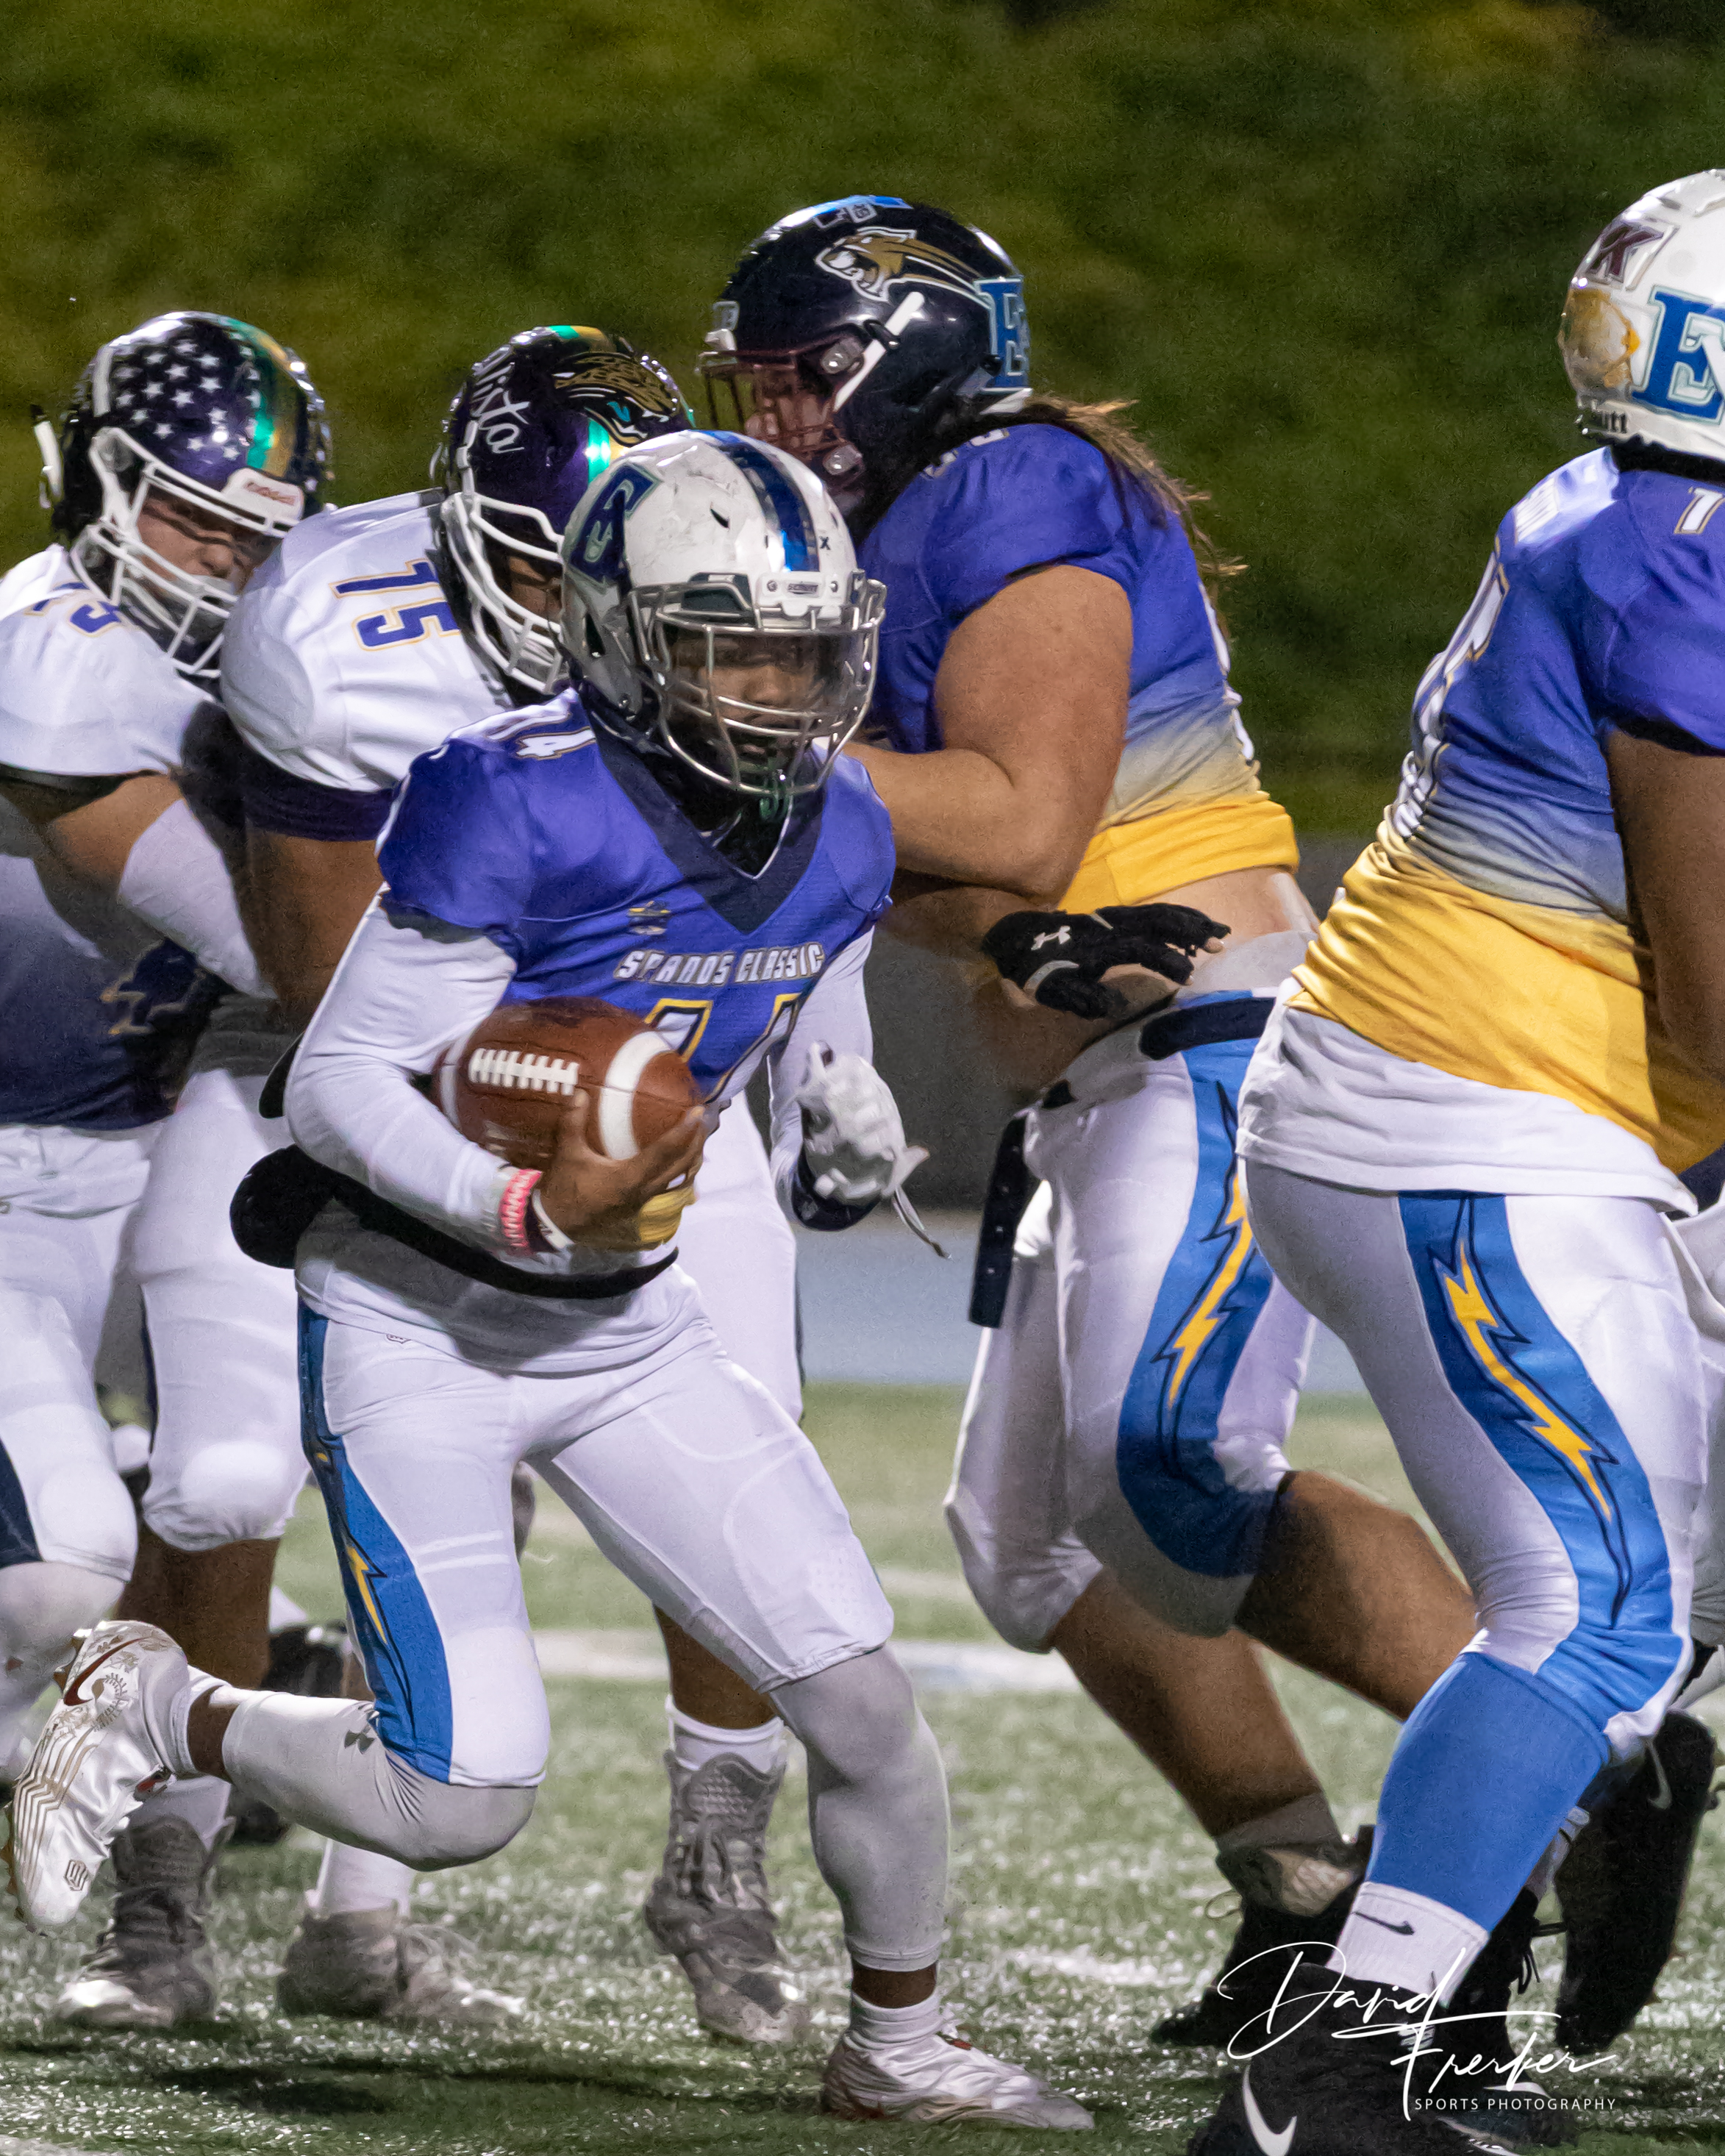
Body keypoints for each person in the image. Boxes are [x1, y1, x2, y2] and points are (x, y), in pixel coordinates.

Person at [8, 430, 1093, 2130]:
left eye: (807, 650)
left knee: (866, 1701)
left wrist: (847, 1073)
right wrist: (516, 1203)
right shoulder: (510, 791)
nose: (781, 691)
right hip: (424, 1324)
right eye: (731, 646)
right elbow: (340, 1085)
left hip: (630, 1325)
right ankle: (154, 1697)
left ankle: (899, 2041)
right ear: (621, 640)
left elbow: (777, 955)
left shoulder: (842, 819)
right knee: (460, 1797)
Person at [699, 195, 1493, 2044]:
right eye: (759, 381)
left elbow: (1021, 817)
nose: (778, 414)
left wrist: (724, 738)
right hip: (1093, 1074)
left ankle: (1571, 1764)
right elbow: (942, 882)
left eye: (804, 374)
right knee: (1031, 1543)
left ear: (911, 353)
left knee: (1174, 1464)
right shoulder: (910, 512)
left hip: (1202, 1030)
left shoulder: (1010, 480)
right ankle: (1304, 1892)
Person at [1181, 171, 1725, 2151]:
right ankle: (1343, 2060)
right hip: (1486, 1124)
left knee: (1650, 1595)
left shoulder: (1631, 507)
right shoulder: (1685, 563)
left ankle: (1560, 1830)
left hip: (1514, 1106)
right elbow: (1715, 980)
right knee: (1589, 1606)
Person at [223, 327, 816, 2040]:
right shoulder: (334, 628)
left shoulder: (731, 593)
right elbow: (331, 978)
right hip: (441, 1071)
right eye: (537, 566)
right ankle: (348, 1911)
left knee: (751, 1469)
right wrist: (519, 1137)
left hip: (676, 1068)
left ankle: (716, 1855)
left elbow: (809, 840)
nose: (567, 612)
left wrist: (820, 1061)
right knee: (450, 1469)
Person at [0, 311, 329, 2030]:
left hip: (174, 1136)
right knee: (68, 1565)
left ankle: (325, 1917)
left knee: (301, 1463)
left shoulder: (298, 656)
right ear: (93, 484)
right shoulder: (46, 649)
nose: (223, 565)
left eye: (258, 535)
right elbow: (286, 949)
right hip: (13, 1176)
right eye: (193, 519)